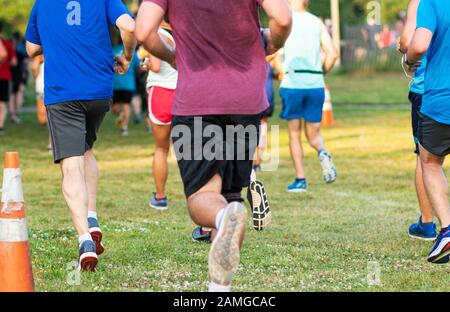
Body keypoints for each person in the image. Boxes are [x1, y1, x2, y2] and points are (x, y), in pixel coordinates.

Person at [136, 0, 292, 291]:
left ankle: (222, 217)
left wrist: (171, 55)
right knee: (231, 195)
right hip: (245, 101)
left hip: (197, 100)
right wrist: (272, 46)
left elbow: (144, 31)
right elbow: (282, 19)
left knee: (204, 196)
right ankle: (220, 288)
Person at [25, 0, 137, 271]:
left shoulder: (42, 4)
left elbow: (31, 49)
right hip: (99, 90)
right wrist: (127, 55)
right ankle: (92, 215)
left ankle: (85, 239)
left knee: (71, 162)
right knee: (86, 149)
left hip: (63, 93)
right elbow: (129, 26)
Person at [405, 0, 450, 263]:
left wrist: (410, 60)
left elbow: (419, 44)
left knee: (430, 163)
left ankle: (446, 230)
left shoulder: (430, 2)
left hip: (441, 99)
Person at [279, 0, 338, 193]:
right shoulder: (316, 22)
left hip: (293, 83)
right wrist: (321, 73)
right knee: (314, 135)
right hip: (315, 84)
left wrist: (281, 71)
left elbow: (274, 53)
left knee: (294, 134)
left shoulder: (284, 19)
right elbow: (332, 54)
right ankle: (322, 152)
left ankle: (300, 179)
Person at [399, 0, 436, 241]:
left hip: (429, 91)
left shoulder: (422, 2)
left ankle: (427, 223)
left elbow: (410, 42)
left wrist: (407, 55)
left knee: (427, 161)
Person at [141, 23, 177, 210]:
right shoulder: (185, 32)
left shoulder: (156, 33)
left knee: (161, 149)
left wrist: (146, 62)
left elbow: (155, 66)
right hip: (183, 93)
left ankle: (161, 197)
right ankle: (198, 194)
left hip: (162, 93)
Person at [112, 36, 140, 136]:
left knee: (119, 106)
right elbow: (139, 66)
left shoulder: (113, 50)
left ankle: (124, 126)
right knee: (124, 106)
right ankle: (123, 120)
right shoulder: (132, 52)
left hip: (117, 83)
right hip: (127, 83)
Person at [0, 22, 17, 136]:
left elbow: (3, 54)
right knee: (2, 103)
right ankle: (0, 126)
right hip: (5, 76)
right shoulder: (6, 42)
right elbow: (14, 62)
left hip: (3, 75)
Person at [32, 54, 52, 151]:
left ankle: (51, 144)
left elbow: (34, 68)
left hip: (46, 87)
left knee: (50, 116)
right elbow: (34, 68)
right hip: (44, 87)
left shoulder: (39, 53)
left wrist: (36, 78)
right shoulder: (41, 54)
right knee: (44, 118)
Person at [9, 31, 28, 124]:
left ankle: (13, 114)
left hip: (11, 73)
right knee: (18, 93)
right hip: (20, 73)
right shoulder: (22, 47)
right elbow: (25, 62)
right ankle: (16, 113)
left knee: (12, 94)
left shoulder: (9, 45)